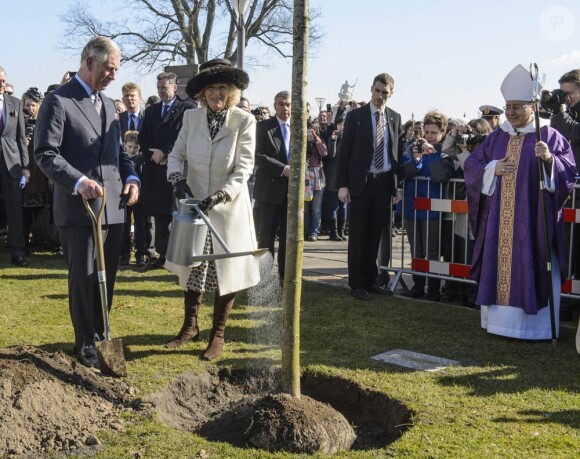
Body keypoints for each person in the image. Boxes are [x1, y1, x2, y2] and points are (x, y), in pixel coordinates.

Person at [34, 36, 139, 367]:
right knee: (83, 276)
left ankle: (101, 333)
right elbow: (45, 154)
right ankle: (85, 344)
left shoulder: (108, 105)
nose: (113, 76)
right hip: (79, 209)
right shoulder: (59, 101)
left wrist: (132, 178)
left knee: (107, 278)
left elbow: (119, 152)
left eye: (116, 70)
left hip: (112, 207)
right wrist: (78, 181)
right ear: (89, 62)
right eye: (109, 69)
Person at [464, 64, 577, 340]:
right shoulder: (497, 137)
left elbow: (570, 170)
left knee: (532, 262)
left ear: (532, 107)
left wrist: (550, 160)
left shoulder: (549, 136)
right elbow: (471, 166)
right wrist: (493, 168)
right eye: (508, 106)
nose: (511, 112)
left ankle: (535, 329)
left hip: (534, 221)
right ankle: (499, 323)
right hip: (498, 223)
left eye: (517, 106)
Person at [165, 58, 259, 360]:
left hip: (227, 208)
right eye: (211, 88)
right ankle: (189, 327)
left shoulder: (244, 121)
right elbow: (176, 154)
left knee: (224, 272)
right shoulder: (191, 119)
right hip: (194, 206)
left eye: (223, 88)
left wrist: (221, 195)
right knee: (193, 268)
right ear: (202, 93)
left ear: (231, 91)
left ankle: (218, 334)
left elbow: (243, 168)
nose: (216, 94)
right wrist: (178, 179)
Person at [336, 73, 403, 301]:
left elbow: (397, 155)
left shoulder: (394, 118)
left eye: (385, 92)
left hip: (383, 183)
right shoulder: (356, 116)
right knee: (358, 235)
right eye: (377, 90)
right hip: (360, 184)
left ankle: (371, 279)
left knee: (375, 234)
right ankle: (357, 283)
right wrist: (343, 185)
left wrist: (397, 187)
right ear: (371, 90)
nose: (380, 96)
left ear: (391, 93)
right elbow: (344, 153)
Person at [139, 72, 195, 269]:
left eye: (164, 87)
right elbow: (143, 137)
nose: (161, 91)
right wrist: (153, 154)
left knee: (180, 213)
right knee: (160, 215)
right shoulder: (152, 110)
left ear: (175, 87)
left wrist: (166, 153)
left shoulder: (188, 108)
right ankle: (163, 256)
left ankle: (182, 256)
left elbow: (186, 136)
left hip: (179, 170)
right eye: (159, 88)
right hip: (155, 170)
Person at [401, 111, 453, 301]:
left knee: (431, 251)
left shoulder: (445, 153)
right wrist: (416, 160)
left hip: (433, 209)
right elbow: (406, 172)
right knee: (417, 251)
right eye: (427, 131)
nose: (429, 136)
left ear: (443, 132)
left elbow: (439, 176)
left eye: (433, 132)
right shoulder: (412, 148)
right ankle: (418, 285)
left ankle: (432, 288)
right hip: (412, 208)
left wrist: (431, 155)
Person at [253, 90, 292, 279]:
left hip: (291, 192)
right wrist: (283, 169)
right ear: (275, 105)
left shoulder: (300, 128)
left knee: (288, 236)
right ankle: (264, 276)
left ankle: (285, 274)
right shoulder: (263, 127)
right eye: (281, 104)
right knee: (266, 235)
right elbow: (258, 156)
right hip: (269, 190)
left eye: (288, 104)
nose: (285, 108)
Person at [0, 65, 29, 266]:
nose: (1, 85)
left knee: (14, 210)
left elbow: (21, 138)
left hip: (12, 164)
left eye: (3, 81)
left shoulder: (15, 103)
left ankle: (17, 251)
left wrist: (25, 167)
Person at [20, 87, 51, 254]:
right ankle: (23, 242)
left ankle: (42, 239)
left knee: (41, 209)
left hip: (40, 170)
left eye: (33, 105)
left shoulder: (42, 122)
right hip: (25, 168)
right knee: (25, 211)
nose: (30, 109)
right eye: (27, 105)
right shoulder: (19, 121)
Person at [120, 131, 148, 267]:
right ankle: (124, 255)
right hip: (125, 196)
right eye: (130, 147)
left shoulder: (142, 160)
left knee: (140, 226)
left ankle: (140, 255)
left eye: (135, 147)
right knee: (124, 227)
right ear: (124, 145)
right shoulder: (122, 159)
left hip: (140, 197)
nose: (132, 150)